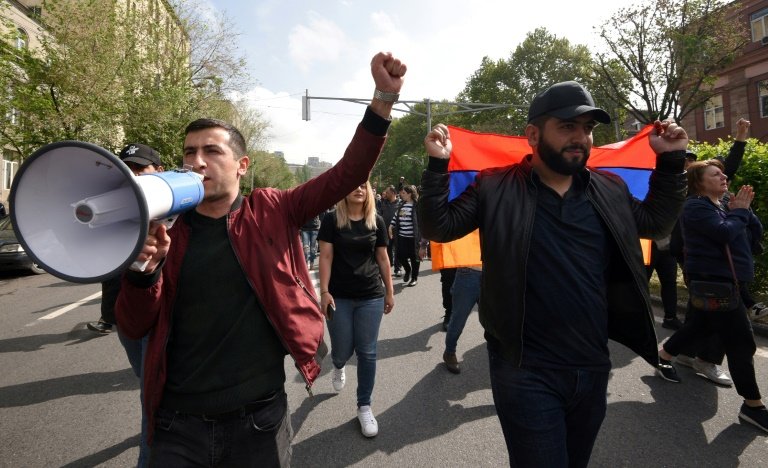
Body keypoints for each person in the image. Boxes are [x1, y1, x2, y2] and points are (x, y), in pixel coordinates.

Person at [115, 52, 406, 466]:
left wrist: (382, 101)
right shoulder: (165, 231)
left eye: (211, 151)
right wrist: (143, 273)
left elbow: (348, 172)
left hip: (259, 421)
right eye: (189, 152)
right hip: (177, 425)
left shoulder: (273, 209)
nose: (196, 162)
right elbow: (132, 325)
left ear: (242, 166)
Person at [419, 81, 688, 467]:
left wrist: (672, 160)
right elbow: (439, 227)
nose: (581, 137)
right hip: (524, 370)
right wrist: (437, 166)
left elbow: (657, 222)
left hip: (592, 364)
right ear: (533, 134)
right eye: (567, 127)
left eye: (587, 128)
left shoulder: (609, 189)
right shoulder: (494, 186)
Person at [656, 159, 767, 433]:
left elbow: (755, 233)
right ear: (699, 182)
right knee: (741, 343)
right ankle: (752, 406)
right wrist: (739, 213)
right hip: (714, 284)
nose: (723, 177)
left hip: (730, 282)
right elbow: (723, 233)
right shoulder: (695, 206)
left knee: (699, 325)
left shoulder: (725, 203)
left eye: (723, 173)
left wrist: (745, 211)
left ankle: (663, 355)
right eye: (716, 174)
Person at [317, 181, 394, 437]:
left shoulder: (376, 221)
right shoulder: (331, 220)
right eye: (353, 185)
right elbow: (326, 256)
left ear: (368, 191)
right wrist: (324, 291)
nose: (358, 189)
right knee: (342, 350)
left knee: (367, 352)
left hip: (370, 295)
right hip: (338, 296)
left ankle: (364, 406)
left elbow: (382, 257)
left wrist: (389, 291)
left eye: (363, 186)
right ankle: (338, 365)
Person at [87, 144, 164, 335]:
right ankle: (109, 319)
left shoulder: (174, 205)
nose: (133, 174)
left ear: (159, 170)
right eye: (127, 168)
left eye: (140, 168)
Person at [442, 266, 481, 373]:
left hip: (494, 273)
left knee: (493, 321)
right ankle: (449, 353)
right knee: (458, 320)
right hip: (468, 273)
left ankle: (498, 355)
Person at [389, 184, 426, 286]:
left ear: (409, 194)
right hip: (402, 237)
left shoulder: (417, 205)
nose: (401, 194)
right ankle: (408, 270)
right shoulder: (402, 205)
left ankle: (414, 278)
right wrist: (390, 226)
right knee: (400, 256)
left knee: (415, 258)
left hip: (414, 238)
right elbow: (396, 217)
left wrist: (423, 241)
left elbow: (422, 222)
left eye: (404, 193)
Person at [378, 185, 401, 276]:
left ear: (393, 193)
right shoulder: (383, 203)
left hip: (397, 231)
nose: (385, 194)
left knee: (398, 250)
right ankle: (388, 266)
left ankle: (398, 269)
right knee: (387, 250)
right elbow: (379, 215)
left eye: (387, 192)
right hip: (385, 231)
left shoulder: (400, 203)